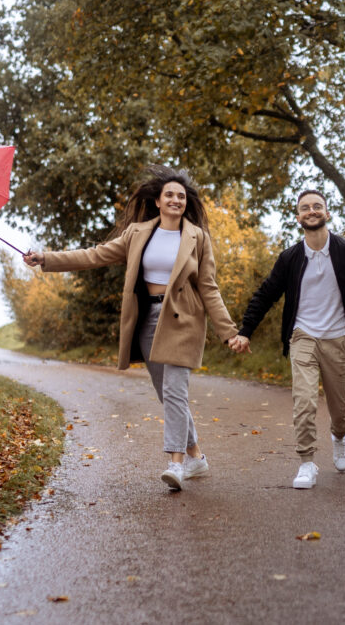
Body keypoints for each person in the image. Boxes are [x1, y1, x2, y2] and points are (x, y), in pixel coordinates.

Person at [22, 165, 243, 491]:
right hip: (147, 319)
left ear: (186, 203)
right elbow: (94, 255)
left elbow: (208, 287)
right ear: (157, 200)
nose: (176, 200)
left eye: (181, 196)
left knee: (175, 391)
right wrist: (47, 259)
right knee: (166, 394)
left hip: (184, 319)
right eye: (169, 194)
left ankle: (176, 464)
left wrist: (229, 332)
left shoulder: (198, 238)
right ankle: (197, 456)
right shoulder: (138, 233)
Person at [230, 189, 345, 489]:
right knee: (304, 401)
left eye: (317, 206)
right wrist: (246, 330)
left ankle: (339, 436)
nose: (311, 211)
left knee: (340, 410)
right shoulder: (290, 258)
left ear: (327, 213)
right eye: (305, 208)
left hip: (339, 338)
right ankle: (306, 462)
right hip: (302, 337)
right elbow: (266, 294)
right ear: (297, 217)